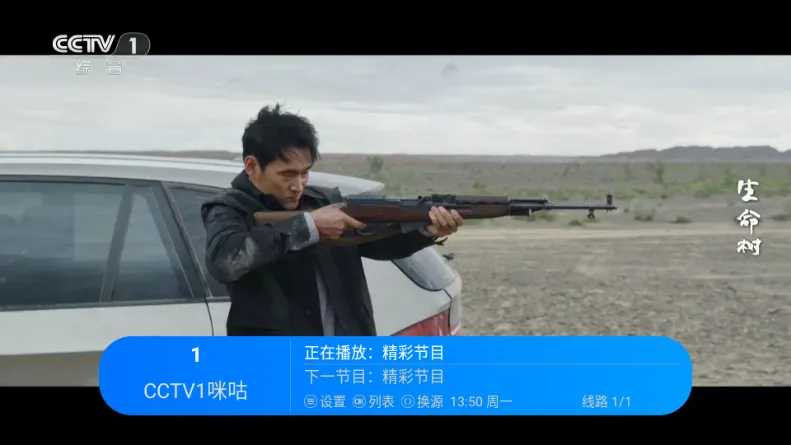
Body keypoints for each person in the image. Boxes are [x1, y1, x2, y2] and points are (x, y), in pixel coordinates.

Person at [202, 104, 464, 336]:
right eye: (287, 175)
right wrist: (309, 227)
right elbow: (225, 261)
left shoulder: (323, 201)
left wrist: (427, 230)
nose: (298, 185)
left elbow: (376, 243)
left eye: (304, 173)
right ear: (251, 166)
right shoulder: (228, 208)